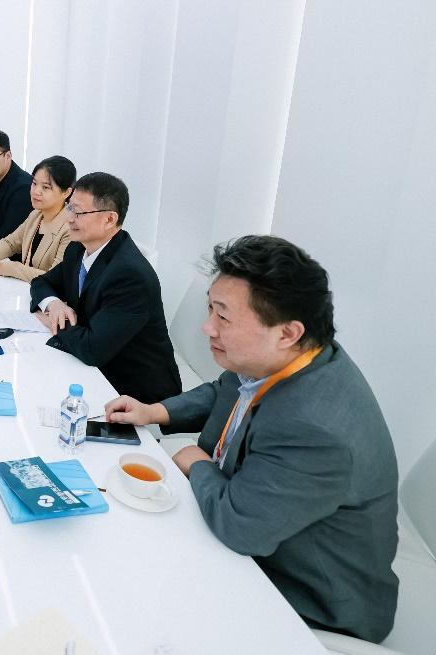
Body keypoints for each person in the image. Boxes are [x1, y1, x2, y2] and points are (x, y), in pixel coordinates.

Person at [104, 236, 399, 642]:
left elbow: (238, 525)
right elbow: (226, 389)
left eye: (223, 317)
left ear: (287, 332)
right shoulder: (293, 355)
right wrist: (154, 411)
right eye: (210, 308)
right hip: (260, 533)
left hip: (307, 600)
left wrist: (195, 461)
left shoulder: (315, 429)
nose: (207, 327)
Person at [30, 172, 180, 403]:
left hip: (134, 392)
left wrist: (55, 322)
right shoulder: (78, 249)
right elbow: (42, 282)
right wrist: (54, 304)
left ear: (109, 219)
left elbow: (92, 348)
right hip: (93, 368)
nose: (69, 218)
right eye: (69, 208)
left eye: (78, 212)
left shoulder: (130, 275)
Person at [0, 155, 75, 282]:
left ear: (66, 192)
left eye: (45, 187)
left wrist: (9, 268)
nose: (36, 191)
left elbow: (55, 278)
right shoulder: (36, 215)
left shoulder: (71, 228)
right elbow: (11, 243)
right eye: (34, 183)